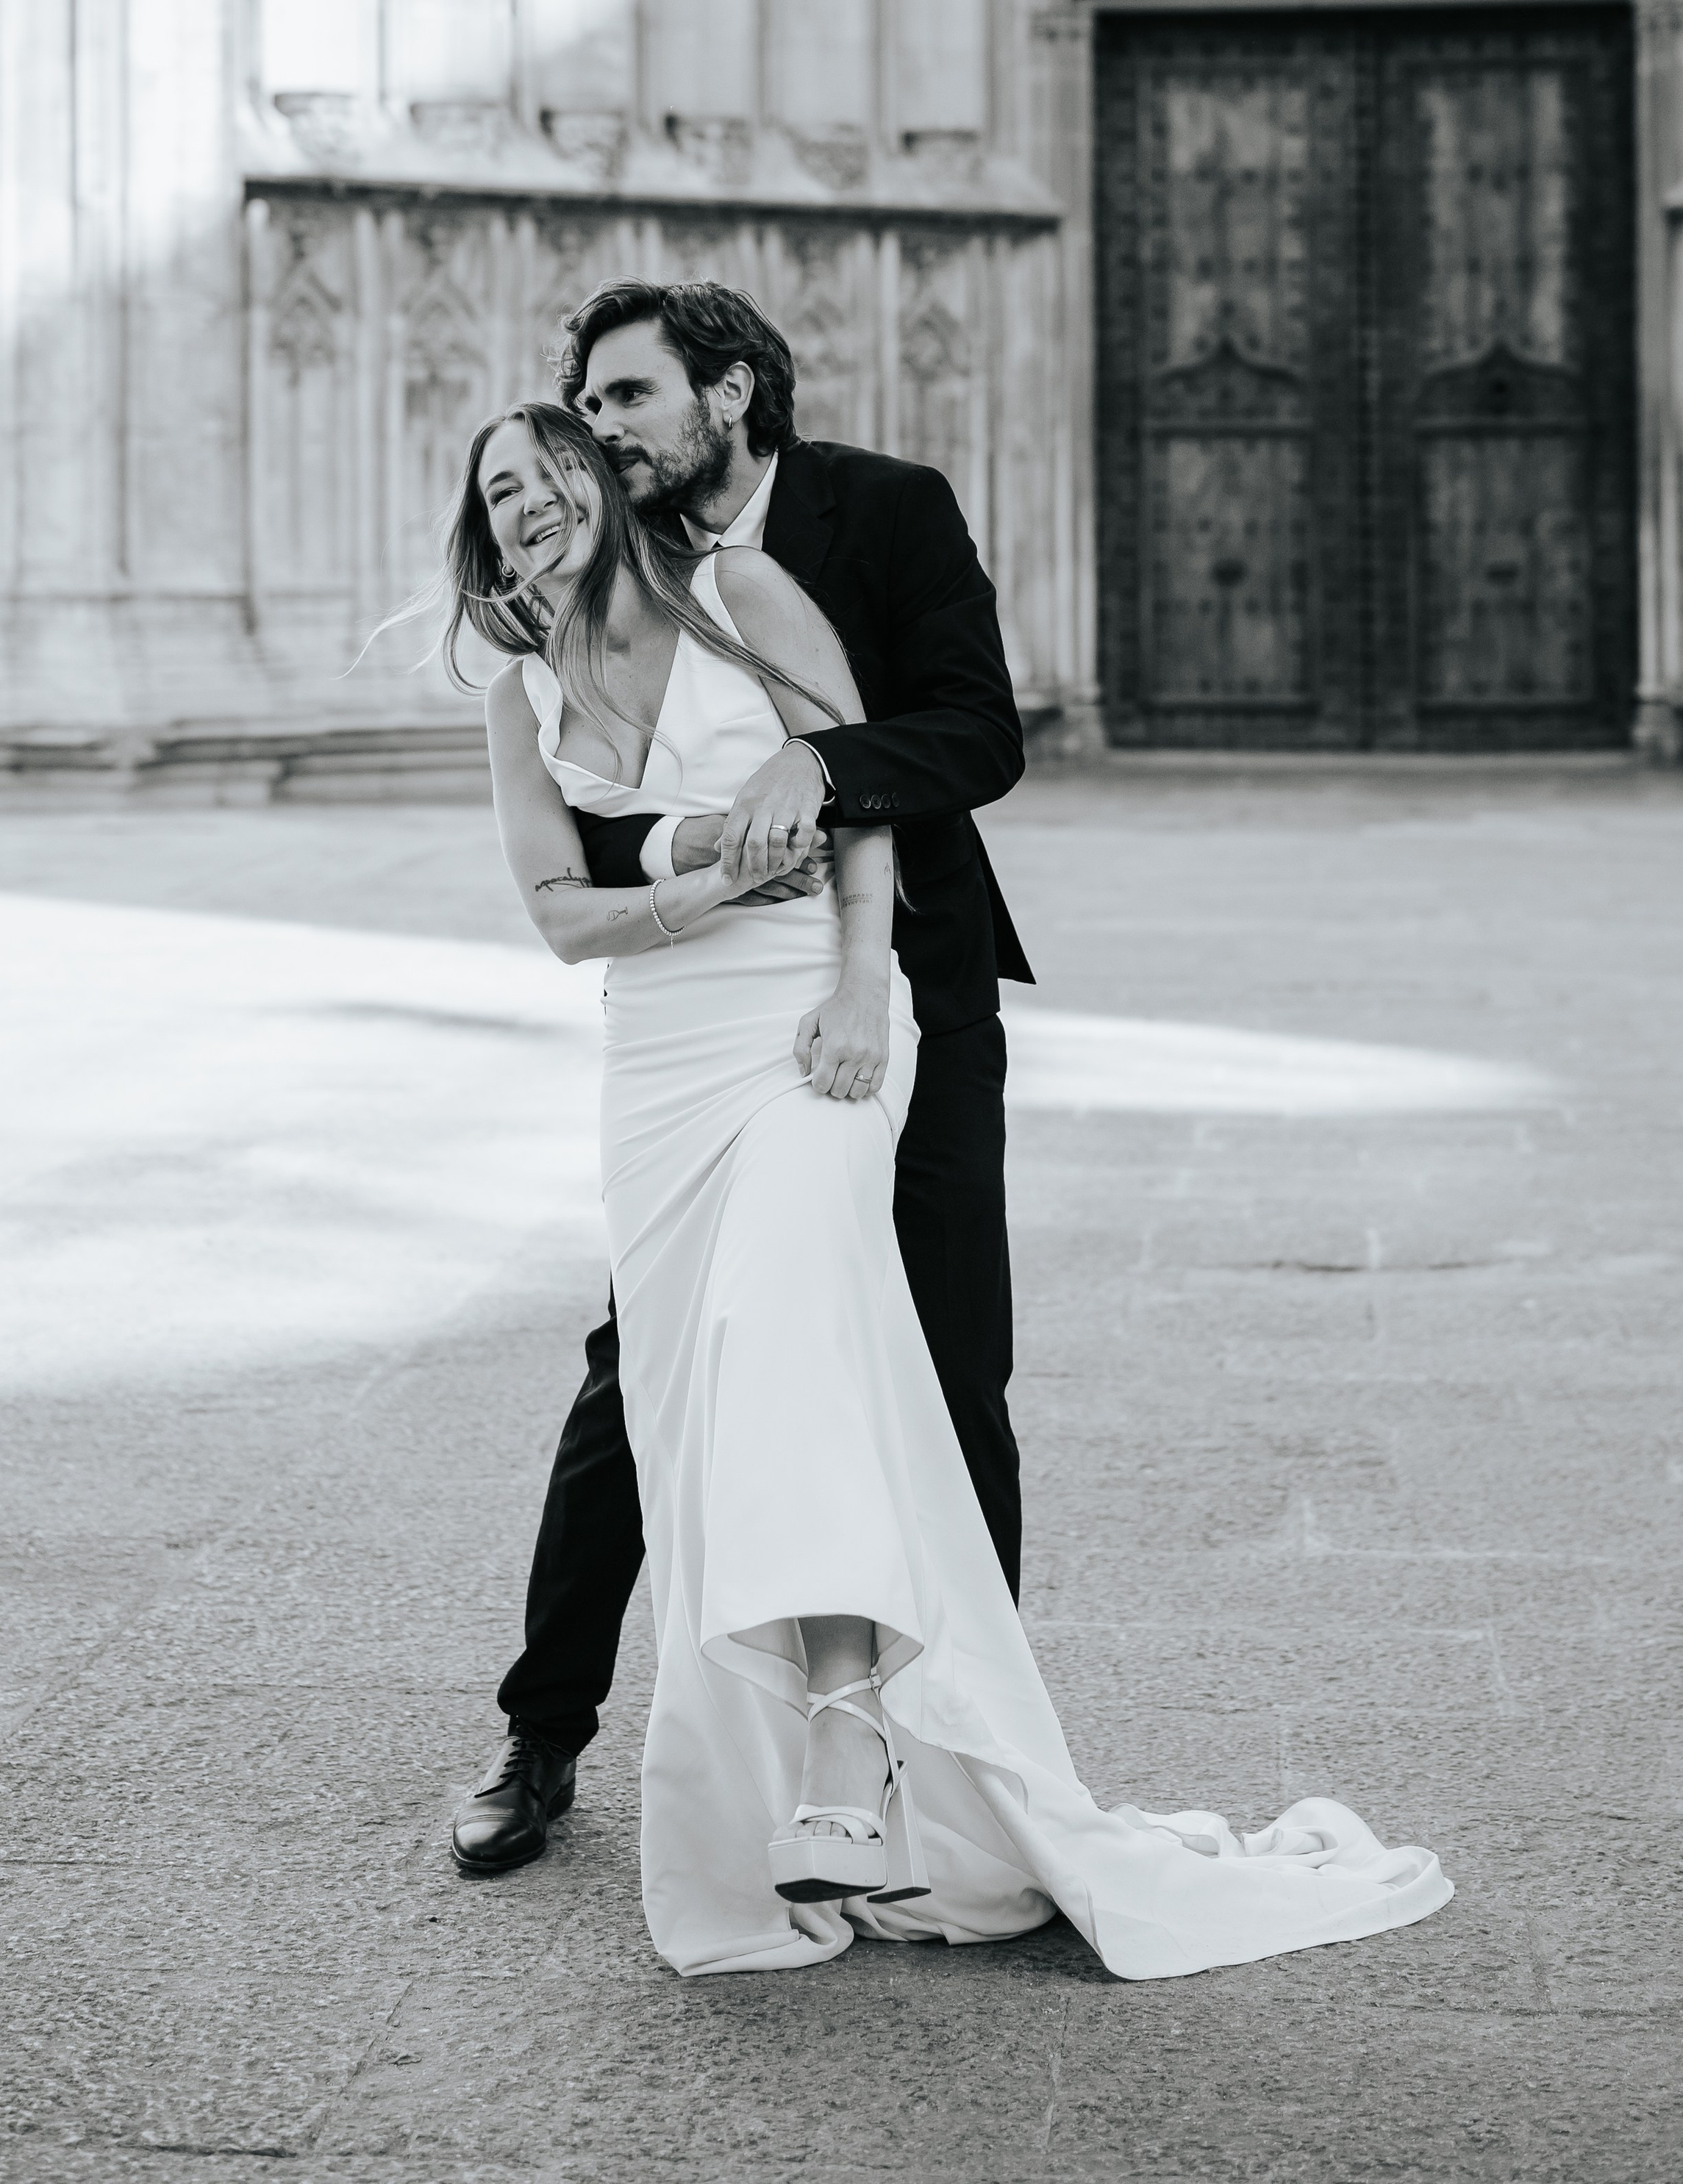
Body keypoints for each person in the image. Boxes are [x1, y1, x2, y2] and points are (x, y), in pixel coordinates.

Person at [443, 380, 1453, 1977]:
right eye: (503, 491)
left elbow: (866, 802)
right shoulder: (519, 693)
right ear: (485, 535)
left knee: (788, 1329)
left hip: (812, 1027)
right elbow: (560, 916)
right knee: (682, 1403)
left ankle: (849, 1734)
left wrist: (863, 980)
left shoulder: (745, 589)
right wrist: (699, 877)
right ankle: (691, 1762)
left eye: (563, 459)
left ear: (631, 463)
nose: (538, 499)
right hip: (659, 1064)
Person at [457, 282, 1030, 1878]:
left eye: (627, 397)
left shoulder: (880, 511)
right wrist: (699, 852)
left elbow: (978, 734)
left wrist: (821, 764)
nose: (600, 428)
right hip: (693, 1019)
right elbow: (581, 851)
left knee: (950, 1362)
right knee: (638, 1375)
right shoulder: (598, 584)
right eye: (585, 405)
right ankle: (544, 1727)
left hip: (906, 983)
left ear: (727, 392)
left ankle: (963, 1747)